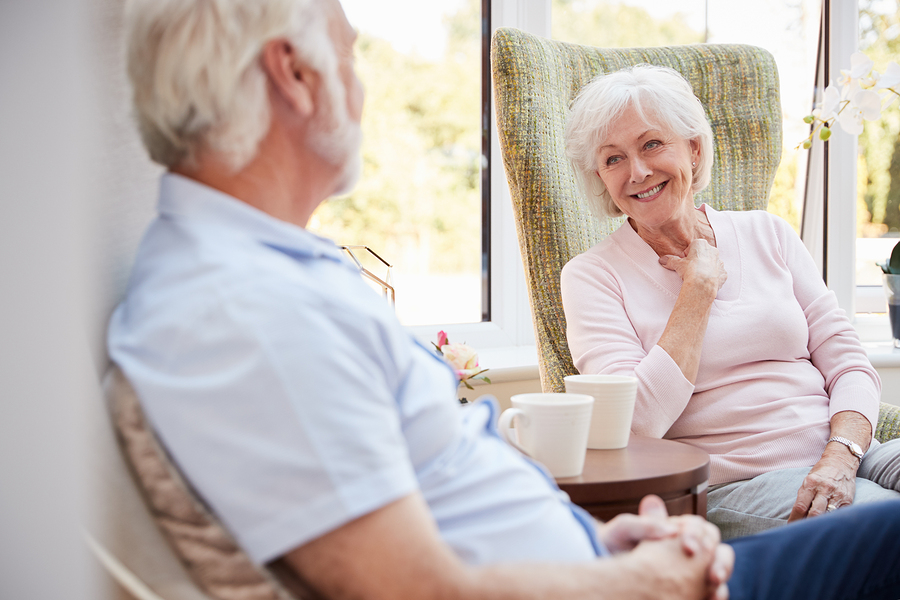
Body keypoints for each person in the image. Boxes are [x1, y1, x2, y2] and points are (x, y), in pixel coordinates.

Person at [107, 1, 900, 599]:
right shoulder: (242, 310)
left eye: (652, 145)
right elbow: (412, 587)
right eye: (352, 56)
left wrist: (607, 544)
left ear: (695, 149)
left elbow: (445, 507)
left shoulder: (276, 270)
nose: (363, 86)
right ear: (294, 74)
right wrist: (634, 581)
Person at [561, 64, 900, 541]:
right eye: (613, 158)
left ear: (693, 149)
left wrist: (842, 454)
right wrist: (697, 291)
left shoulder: (769, 232)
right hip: (738, 485)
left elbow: (848, 363)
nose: (637, 171)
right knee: (886, 525)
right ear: (600, 176)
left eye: (652, 144)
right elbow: (633, 423)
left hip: (847, 450)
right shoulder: (592, 276)